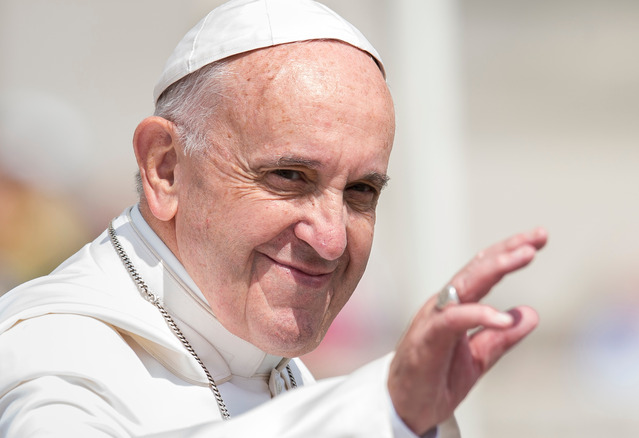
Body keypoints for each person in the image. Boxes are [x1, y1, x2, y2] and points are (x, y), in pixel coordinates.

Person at [0, 0, 548, 436]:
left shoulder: (271, 366)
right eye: (288, 176)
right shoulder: (53, 358)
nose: (331, 240)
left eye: (360, 191)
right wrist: (380, 410)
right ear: (165, 169)